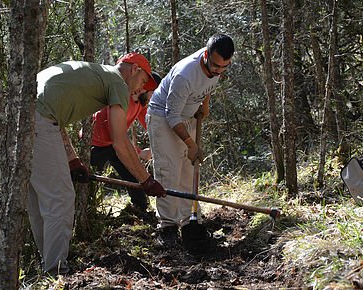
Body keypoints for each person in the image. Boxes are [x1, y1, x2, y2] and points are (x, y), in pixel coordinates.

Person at [28, 53, 167, 275]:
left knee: (39, 199)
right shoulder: (117, 82)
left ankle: (47, 264)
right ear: (134, 70)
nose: (139, 89)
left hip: (21, 115)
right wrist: (146, 180)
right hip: (40, 122)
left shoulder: (98, 74)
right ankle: (56, 270)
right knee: (60, 198)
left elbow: (55, 119)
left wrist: (73, 160)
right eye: (142, 82)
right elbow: (120, 142)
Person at [146, 34, 235, 246]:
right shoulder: (185, 75)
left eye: (224, 67)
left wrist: (204, 105)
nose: (218, 71)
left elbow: (209, 85)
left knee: (188, 171)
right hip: (163, 117)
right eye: (215, 66)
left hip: (188, 116)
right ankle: (167, 227)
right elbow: (171, 115)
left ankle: (190, 223)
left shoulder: (218, 66)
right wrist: (190, 143)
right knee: (169, 171)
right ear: (206, 55)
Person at [89, 71, 162, 212]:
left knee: (134, 175)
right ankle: (88, 214)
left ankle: (141, 210)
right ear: (145, 88)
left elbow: (151, 126)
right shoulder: (121, 99)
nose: (155, 98)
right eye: (155, 93)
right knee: (88, 182)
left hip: (113, 143)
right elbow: (118, 138)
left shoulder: (141, 102)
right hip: (96, 144)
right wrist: (139, 153)